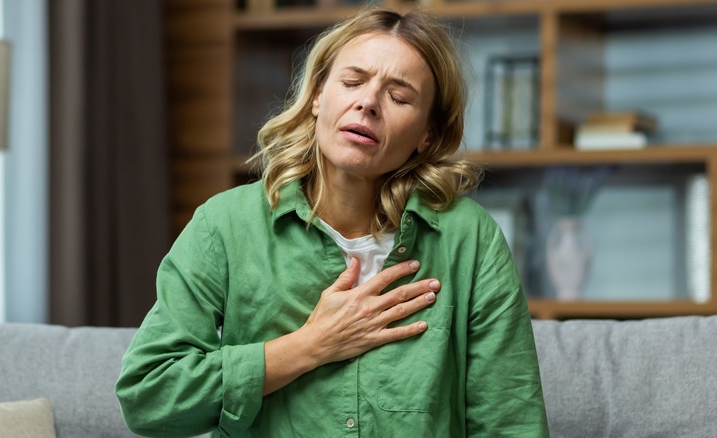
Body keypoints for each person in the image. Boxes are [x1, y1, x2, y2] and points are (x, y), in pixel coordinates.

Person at [116, 7, 549, 437]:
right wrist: (310, 345)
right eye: (352, 81)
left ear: (427, 136)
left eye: (399, 97)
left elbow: (512, 424)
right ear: (319, 93)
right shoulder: (224, 225)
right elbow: (149, 396)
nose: (368, 103)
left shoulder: (470, 238)